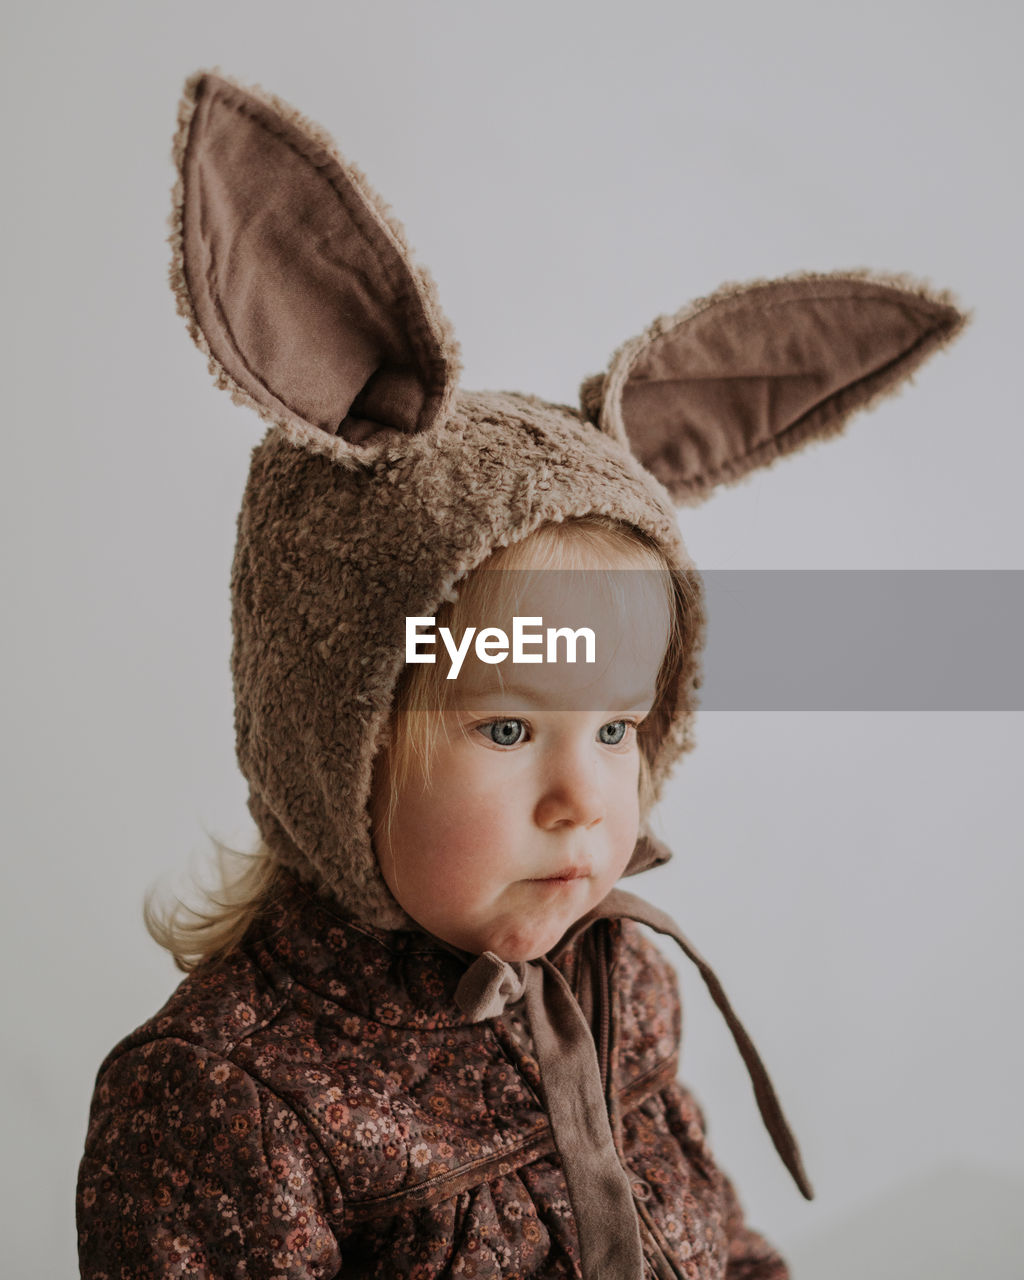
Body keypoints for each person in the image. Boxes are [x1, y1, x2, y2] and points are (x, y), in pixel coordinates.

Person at [76, 71, 965, 1278]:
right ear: (338, 735)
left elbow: (707, 1231)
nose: (584, 798)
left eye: (616, 729)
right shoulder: (232, 1105)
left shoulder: (622, 979)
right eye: (504, 726)